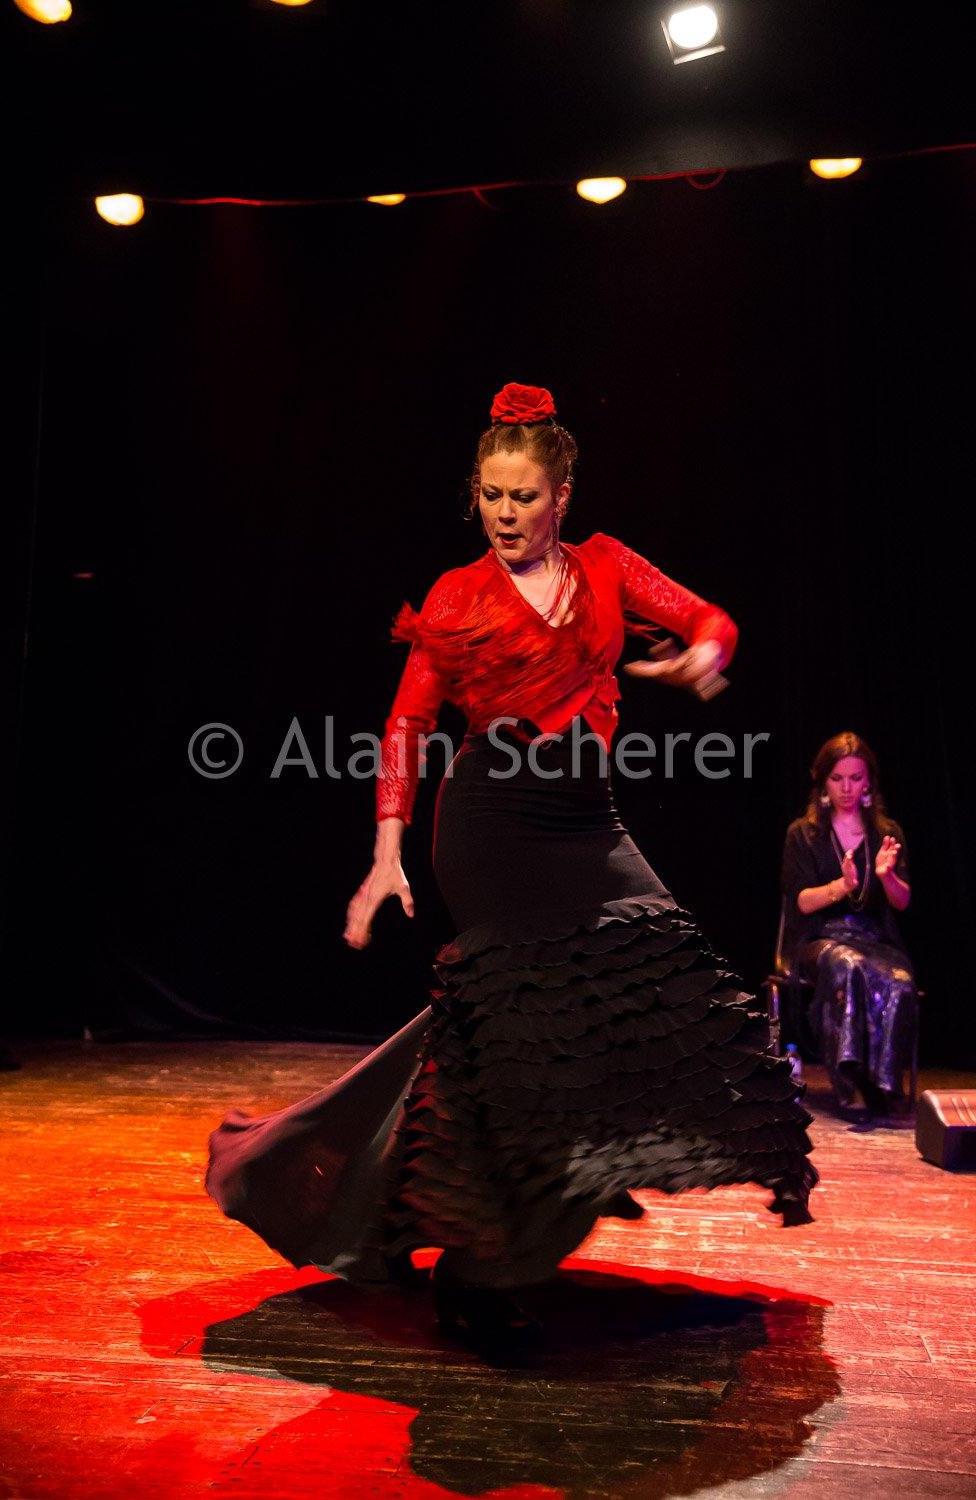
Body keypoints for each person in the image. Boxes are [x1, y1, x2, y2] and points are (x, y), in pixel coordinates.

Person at [207, 382, 816, 1344]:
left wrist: (702, 657)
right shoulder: (457, 593)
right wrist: (384, 856)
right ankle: (479, 1271)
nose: (504, 512)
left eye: (523, 495)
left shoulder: (605, 565)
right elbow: (407, 726)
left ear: (560, 496)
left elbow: (711, 618)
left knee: (650, 991)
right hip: (490, 826)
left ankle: (463, 1213)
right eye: (490, 495)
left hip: (588, 820)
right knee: (525, 1041)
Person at [779, 732, 917, 1119]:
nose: (846, 788)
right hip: (821, 938)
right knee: (847, 964)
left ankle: (882, 1084)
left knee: (901, 982)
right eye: (837, 778)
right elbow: (802, 901)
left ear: (868, 782)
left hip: (875, 939)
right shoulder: (803, 833)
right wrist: (842, 886)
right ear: (823, 781)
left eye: (855, 779)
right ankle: (848, 1081)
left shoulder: (886, 833)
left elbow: (902, 901)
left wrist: (887, 876)